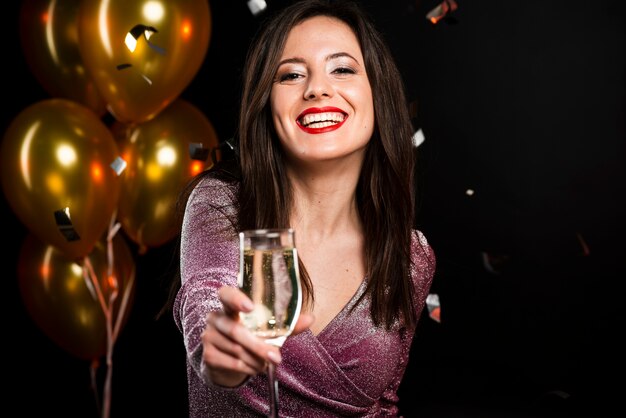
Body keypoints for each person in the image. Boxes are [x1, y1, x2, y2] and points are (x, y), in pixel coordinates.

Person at [170, 0, 435, 416]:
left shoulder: (412, 256)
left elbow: (385, 405)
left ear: (378, 96)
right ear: (267, 105)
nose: (316, 88)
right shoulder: (221, 205)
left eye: (343, 69)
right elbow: (205, 305)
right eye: (291, 75)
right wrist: (218, 348)